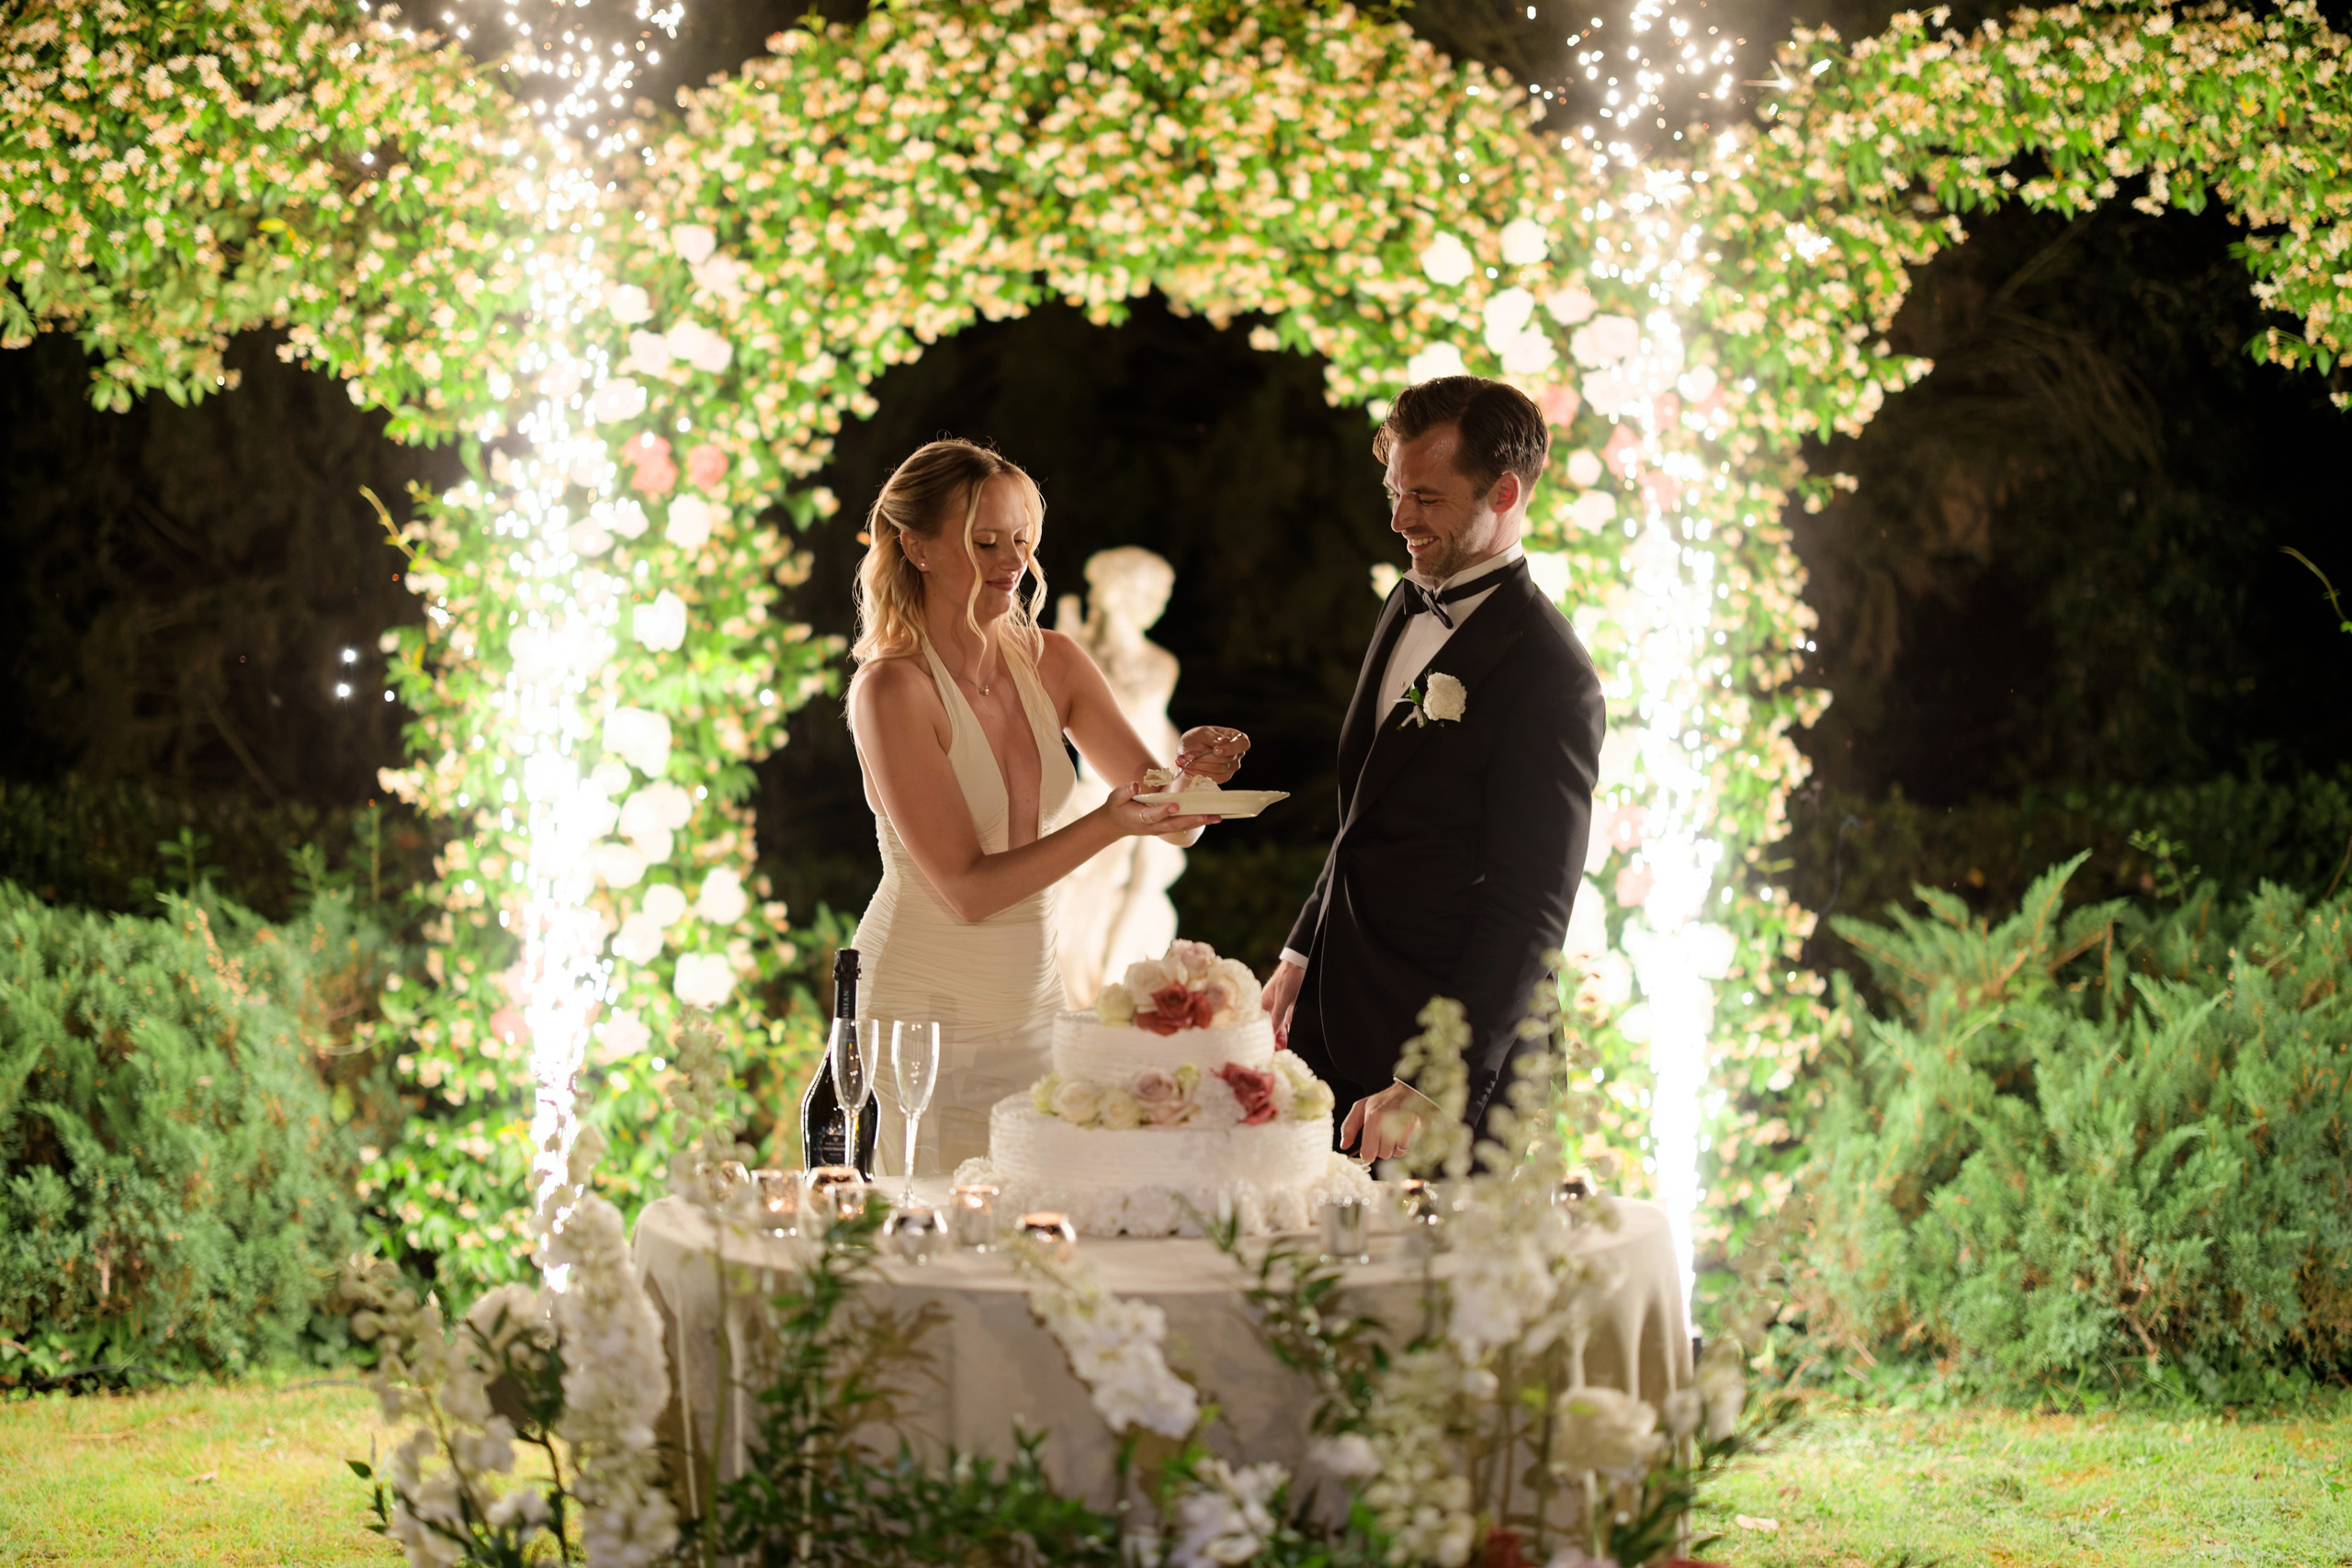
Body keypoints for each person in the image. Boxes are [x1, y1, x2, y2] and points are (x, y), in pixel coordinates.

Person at [846, 438, 1250, 1178]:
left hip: (1037, 1008)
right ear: (918, 547)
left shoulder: (1055, 660)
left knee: (1042, 1232)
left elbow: (1176, 819)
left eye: (1022, 540)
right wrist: (1107, 821)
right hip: (921, 1018)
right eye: (985, 541)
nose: (1012, 561)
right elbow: (968, 890)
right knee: (927, 1241)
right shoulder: (891, 690)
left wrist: (1193, 776)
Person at [1262, 377, 1604, 1161]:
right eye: (1393, 491)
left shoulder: (1551, 673)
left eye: (1425, 495)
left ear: (1507, 491)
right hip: (1336, 1027)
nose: (1398, 519)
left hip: (1451, 1074)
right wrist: (1300, 952)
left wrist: (1433, 1082)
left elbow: (1532, 908)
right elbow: (1368, 815)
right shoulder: (1406, 599)